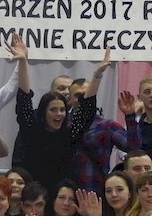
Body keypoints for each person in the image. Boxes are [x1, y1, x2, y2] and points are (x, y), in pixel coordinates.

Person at [14, 45, 108, 194]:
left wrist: (97, 76)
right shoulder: (31, 131)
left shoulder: (69, 135)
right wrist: (23, 62)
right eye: (53, 110)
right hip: (35, 196)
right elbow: (24, 101)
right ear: (43, 112)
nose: (59, 114)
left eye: (62, 110)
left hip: (62, 198)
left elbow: (86, 109)